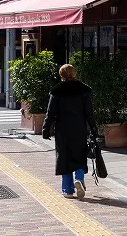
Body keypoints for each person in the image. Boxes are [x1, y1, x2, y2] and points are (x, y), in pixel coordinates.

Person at [41, 64, 97, 199]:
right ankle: (79, 178)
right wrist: (93, 128)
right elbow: (89, 112)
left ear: (61, 75)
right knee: (79, 154)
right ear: (74, 73)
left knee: (64, 157)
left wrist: (46, 129)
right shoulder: (83, 90)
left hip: (63, 129)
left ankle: (67, 190)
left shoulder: (57, 91)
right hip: (79, 128)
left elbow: (50, 113)